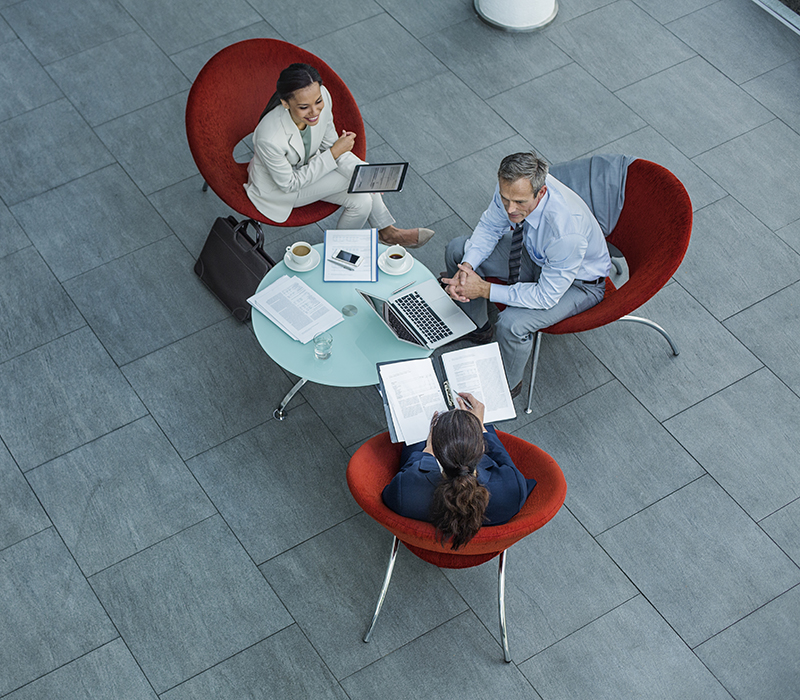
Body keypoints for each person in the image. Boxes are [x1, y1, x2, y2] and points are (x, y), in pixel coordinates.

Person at [442, 151, 611, 396]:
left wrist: (484, 289)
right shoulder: (513, 188)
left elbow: (545, 296)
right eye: (505, 198)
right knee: (458, 251)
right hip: (536, 254)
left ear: (540, 192)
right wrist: (468, 267)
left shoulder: (566, 232)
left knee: (512, 324)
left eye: (520, 202)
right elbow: (490, 226)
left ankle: (507, 385)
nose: (510, 209)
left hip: (579, 284)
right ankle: (477, 328)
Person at [244, 63, 433, 248]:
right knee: (360, 184)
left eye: (318, 102)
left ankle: (339, 254)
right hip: (279, 190)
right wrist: (360, 173)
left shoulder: (323, 97)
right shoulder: (269, 137)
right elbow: (289, 183)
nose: (315, 112)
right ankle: (388, 233)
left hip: (309, 168)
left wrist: (364, 171)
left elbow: (329, 146)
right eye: (304, 107)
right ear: (285, 103)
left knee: (362, 201)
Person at [382, 393, 536, 549]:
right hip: (482, 549)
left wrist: (427, 452)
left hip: (423, 545)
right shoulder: (513, 488)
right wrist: (480, 427)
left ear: (436, 451)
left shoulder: (404, 491)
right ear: (482, 449)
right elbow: (503, 459)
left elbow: (389, 496)